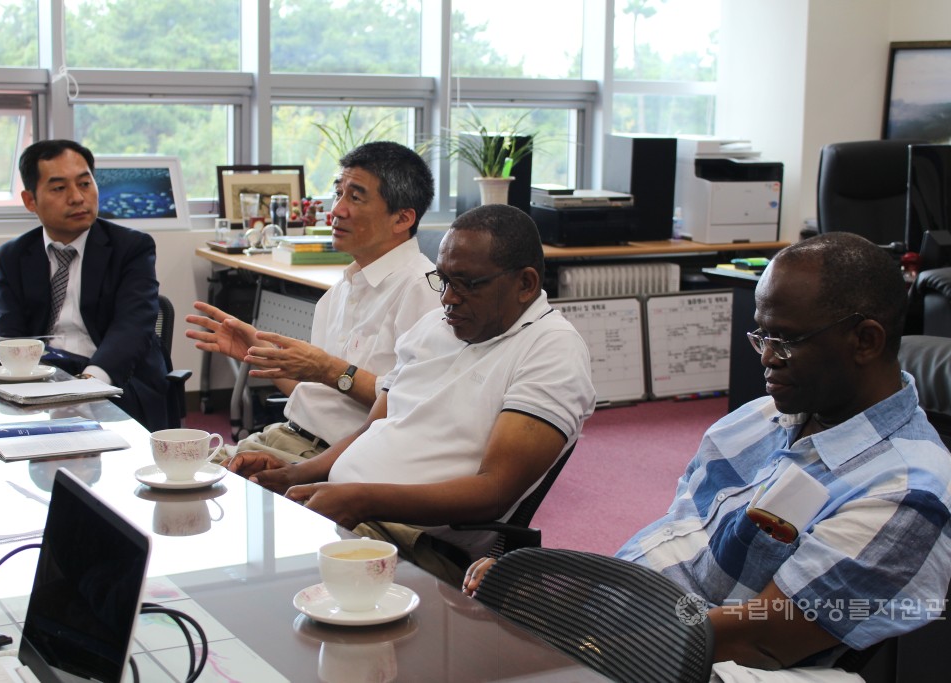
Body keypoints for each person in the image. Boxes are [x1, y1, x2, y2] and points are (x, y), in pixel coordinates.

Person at [465, 232, 951, 671]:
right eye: (761, 335)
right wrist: (562, 586)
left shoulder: (906, 491)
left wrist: (576, 627)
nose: (764, 357)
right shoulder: (757, 420)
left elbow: (764, 635)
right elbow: (674, 547)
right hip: (636, 626)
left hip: (684, 663)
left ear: (865, 340)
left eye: (784, 340)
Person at [229, 204, 596, 583]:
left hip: (416, 541)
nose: (448, 299)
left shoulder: (552, 350)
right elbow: (370, 430)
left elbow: (495, 489)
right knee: (228, 511)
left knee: (264, 570)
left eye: (468, 283)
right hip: (356, 511)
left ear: (526, 284)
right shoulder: (435, 327)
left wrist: (361, 498)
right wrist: (293, 474)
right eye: (444, 280)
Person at [186, 141, 439, 461]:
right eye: (339, 193)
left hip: (342, 459)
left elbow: (412, 406)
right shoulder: (342, 289)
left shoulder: (422, 291)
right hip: (289, 435)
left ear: (402, 219)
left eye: (356, 197)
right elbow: (316, 395)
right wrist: (262, 355)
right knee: (176, 476)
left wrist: (328, 368)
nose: (336, 210)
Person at [0, 139, 171, 431]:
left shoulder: (131, 248)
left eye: (85, 184)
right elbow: (7, 333)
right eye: (59, 188)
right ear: (30, 200)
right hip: (41, 382)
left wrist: (87, 385)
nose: (77, 198)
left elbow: (133, 326)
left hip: (116, 382)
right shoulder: (11, 257)